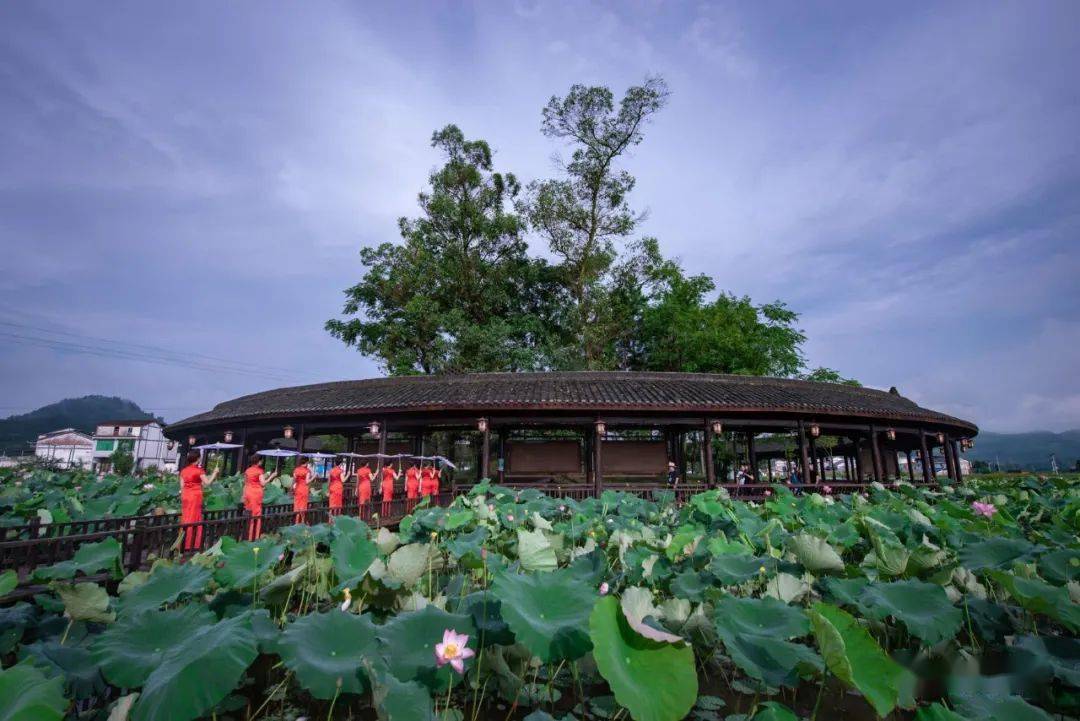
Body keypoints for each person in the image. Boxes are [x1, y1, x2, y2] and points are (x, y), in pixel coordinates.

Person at [179, 451, 219, 551]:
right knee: (194, 518)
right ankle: (191, 545)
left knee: (186, 517)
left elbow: (182, 486)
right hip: (195, 496)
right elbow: (207, 483)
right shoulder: (199, 471)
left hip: (185, 496)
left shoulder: (183, 471)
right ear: (198, 459)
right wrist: (214, 473)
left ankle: (182, 543)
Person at [242, 455, 277, 540]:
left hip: (247, 492)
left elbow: (245, 483)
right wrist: (272, 476)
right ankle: (254, 537)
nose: (261, 462)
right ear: (258, 461)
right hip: (255, 494)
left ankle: (248, 535)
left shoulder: (247, 470)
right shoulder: (259, 471)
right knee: (256, 514)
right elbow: (263, 483)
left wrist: (243, 495)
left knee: (249, 513)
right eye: (261, 461)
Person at [292, 458, 312, 523]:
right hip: (304, 489)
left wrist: (292, 488)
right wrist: (313, 477)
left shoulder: (296, 470)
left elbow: (294, 480)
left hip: (297, 489)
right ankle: (302, 522)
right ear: (306, 463)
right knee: (303, 506)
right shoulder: (307, 471)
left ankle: (296, 522)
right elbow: (307, 481)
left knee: (297, 506)